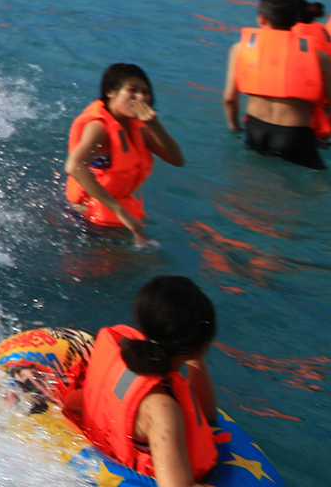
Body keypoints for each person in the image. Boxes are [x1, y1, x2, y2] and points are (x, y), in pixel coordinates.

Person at [61, 276, 220, 487]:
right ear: (201, 346)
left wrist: (195, 353)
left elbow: (206, 416)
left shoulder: (125, 357)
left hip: (95, 456)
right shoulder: (162, 409)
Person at [223, 0, 331, 169]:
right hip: (296, 136)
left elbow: (229, 99)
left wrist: (235, 128)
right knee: (321, 187)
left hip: (256, 131)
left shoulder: (239, 48)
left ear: (261, 19)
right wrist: (320, 138)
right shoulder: (319, 58)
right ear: (296, 21)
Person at [64, 63, 185, 242]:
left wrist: (155, 124)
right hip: (84, 217)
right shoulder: (99, 127)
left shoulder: (138, 127)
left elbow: (177, 160)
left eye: (146, 92)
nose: (141, 98)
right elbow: (73, 166)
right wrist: (119, 210)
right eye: (133, 90)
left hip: (110, 213)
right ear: (111, 91)